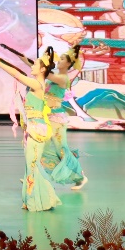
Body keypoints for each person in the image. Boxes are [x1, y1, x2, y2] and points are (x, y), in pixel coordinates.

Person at [0, 38, 60, 212]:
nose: (32, 66)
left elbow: (18, 75)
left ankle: (37, 201)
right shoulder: (36, 83)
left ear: (42, 69)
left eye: (35, 64)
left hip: (37, 130)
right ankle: (34, 200)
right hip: (32, 128)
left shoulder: (37, 84)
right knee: (30, 165)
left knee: (32, 166)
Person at [43, 47, 88, 189]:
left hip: (56, 119)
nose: (59, 61)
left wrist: (39, 63)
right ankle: (36, 176)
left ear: (69, 64)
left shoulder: (63, 78)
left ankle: (80, 176)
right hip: (46, 117)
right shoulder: (56, 76)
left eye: (62, 59)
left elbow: (44, 73)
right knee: (42, 148)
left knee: (61, 150)